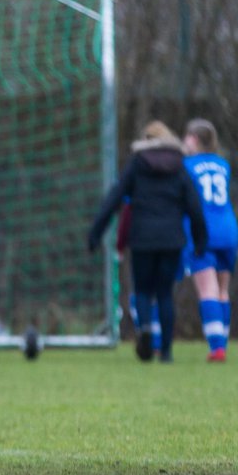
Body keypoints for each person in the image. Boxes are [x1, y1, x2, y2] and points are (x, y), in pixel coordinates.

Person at [88, 120, 206, 363]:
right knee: (164, 294)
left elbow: (115, 198)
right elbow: (194, 206)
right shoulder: (180, 166)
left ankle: (145, 332)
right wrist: (200, 239)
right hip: (172, 239)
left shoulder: (137, 164)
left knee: (142, 290)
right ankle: (166, 352)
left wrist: (96, 232)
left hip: (142, 238)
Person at [182, 118, 238, 362]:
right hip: (229, 230)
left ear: (193, 139)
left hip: (202, 231)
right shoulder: (223, 165)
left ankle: (216, 348)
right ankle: (222, 343)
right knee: (223, 290)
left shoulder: (186, 166)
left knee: (208, 289)